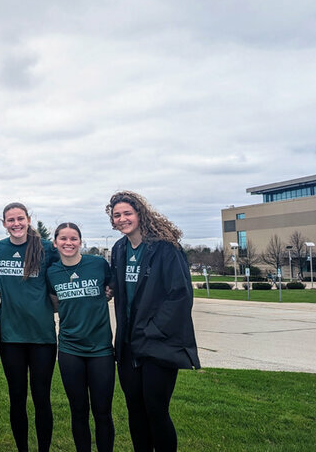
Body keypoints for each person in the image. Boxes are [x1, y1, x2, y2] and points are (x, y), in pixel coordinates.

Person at [106, 191, 200, 452]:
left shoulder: (165, 247)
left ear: (139, 214)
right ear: (112, 221)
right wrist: (108, 288)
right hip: (128, 344)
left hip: (158, 344)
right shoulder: (119, 249)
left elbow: (180, 296)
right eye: (117, 215)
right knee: (135, 411)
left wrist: (153, 329)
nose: (122, 219)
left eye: (127, 213)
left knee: (156, 411)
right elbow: (123, 288)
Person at [0, 202, 59, 452]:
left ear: (28, 219)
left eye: (20, 218)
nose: (16, 224)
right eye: (10, 220)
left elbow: (65, 270)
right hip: (11, 337)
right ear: (3, 224)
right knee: (17, 398)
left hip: (42, 336)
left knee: (42, 398)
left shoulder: (44, 249)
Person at [46, 222, 114, 452]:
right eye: (63, 238)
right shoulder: (52, 272)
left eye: (73, 238)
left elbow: (111, 288)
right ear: (55, 243)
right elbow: (55, 304)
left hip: (101, 350)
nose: (68, 243)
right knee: (78, 411)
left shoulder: (98, 265)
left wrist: (109, 292)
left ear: (80, 242)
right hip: (69, 349)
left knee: (102, 411)